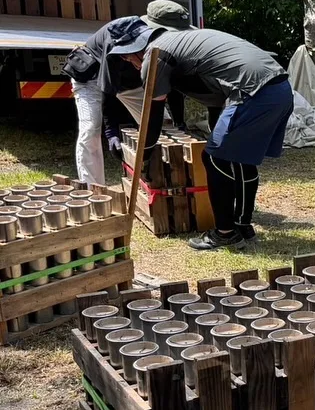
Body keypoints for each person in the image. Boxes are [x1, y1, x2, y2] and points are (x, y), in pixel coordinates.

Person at [112, 21, 293, 250]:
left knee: (214, 158)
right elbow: (216, 87)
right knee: (240, 159)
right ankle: (243, 226)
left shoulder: (155, 55)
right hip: (279, 88)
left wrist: (144, 153)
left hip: (251, 92)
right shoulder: (180, 41)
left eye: (128, 59)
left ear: (135, 48)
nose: (132, 65)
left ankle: (225, 233)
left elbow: (153, 116)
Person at [63, 15, 148, 185]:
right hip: (91, 79)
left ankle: (156, 179)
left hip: (125, 81)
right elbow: (108, 93)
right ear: (128, 53)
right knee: (91, 128)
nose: (141, 64)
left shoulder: (154, 43)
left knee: (161, 122)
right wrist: (112, 134)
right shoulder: (115, 46)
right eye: (138, 60)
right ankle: (92, 190)